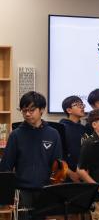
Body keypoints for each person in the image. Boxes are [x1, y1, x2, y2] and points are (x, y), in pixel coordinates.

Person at [0, 91, 62, 220]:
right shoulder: (16, 135)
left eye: (31, 110)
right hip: (22, 192)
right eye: (24, 110)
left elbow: (58, 165)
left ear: (42, 110)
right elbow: (6, 167)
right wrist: (7, 196)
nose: (27, 114)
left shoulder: (53, 134)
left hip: (45, 190)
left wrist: (54, 192)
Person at [77, 109, 99, 220]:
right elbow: (80, 170)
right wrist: (97, 187)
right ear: (94, 124)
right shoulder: (89, 143)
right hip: (97, 196)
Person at [60, 95, 86, 182]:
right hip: (66, 175)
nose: (81, 107)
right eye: (77, 105)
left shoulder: (84, 129)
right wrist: (70, 173)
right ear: (69, 110)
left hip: (84, 174)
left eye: (82, 104)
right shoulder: (61, 128)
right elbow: (58, 154)